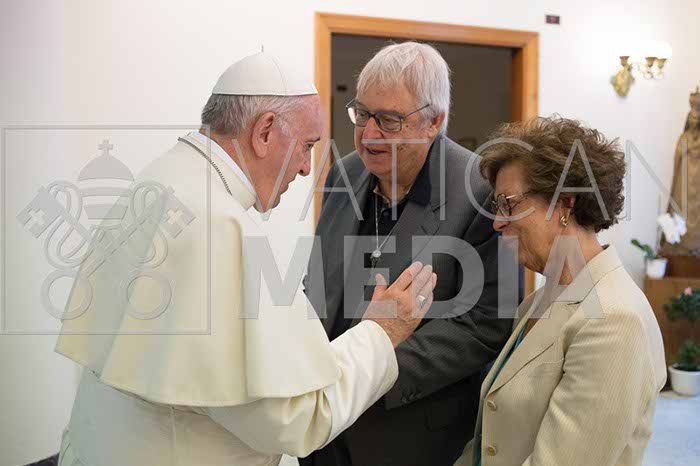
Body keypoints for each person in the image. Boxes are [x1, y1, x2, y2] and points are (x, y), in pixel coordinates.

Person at [54, 52, 437, 466]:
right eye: (307, 146)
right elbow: (298, 418)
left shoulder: (159, 179)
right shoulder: (220, 227)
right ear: (265, 132)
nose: (306, 169)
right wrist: (381, 331)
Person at [302, 42, 513, 466]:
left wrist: (369, 369)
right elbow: (320, 285)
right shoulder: (344, 173)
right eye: (363, 114)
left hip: (409, 435)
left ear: (434, 120)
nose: (369, 134)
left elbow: (487, 322)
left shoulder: (480, 189)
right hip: (323, 426)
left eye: (389, 120)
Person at [455, 116, 667, 466]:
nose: (497, 221)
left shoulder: (614, 320)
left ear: (565, 204)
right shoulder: (537, 302)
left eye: (509, 203)